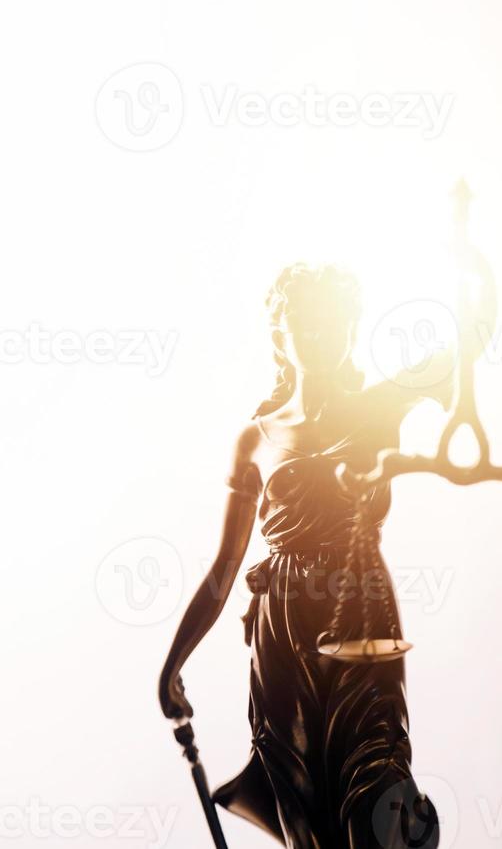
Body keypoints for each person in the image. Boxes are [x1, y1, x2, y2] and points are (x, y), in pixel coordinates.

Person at [159, 261, 453, 848]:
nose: (322, 337)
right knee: (303, 801)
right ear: (280, 336)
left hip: (363, 613)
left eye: (336, 322)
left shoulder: (376, 408)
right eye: (307, 325)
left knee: (378, 777)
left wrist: (462, 251)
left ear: (353, 330)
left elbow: (466, 345)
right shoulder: (256, 438)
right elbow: (222, 572)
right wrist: (173, 665)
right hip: (283, 632)